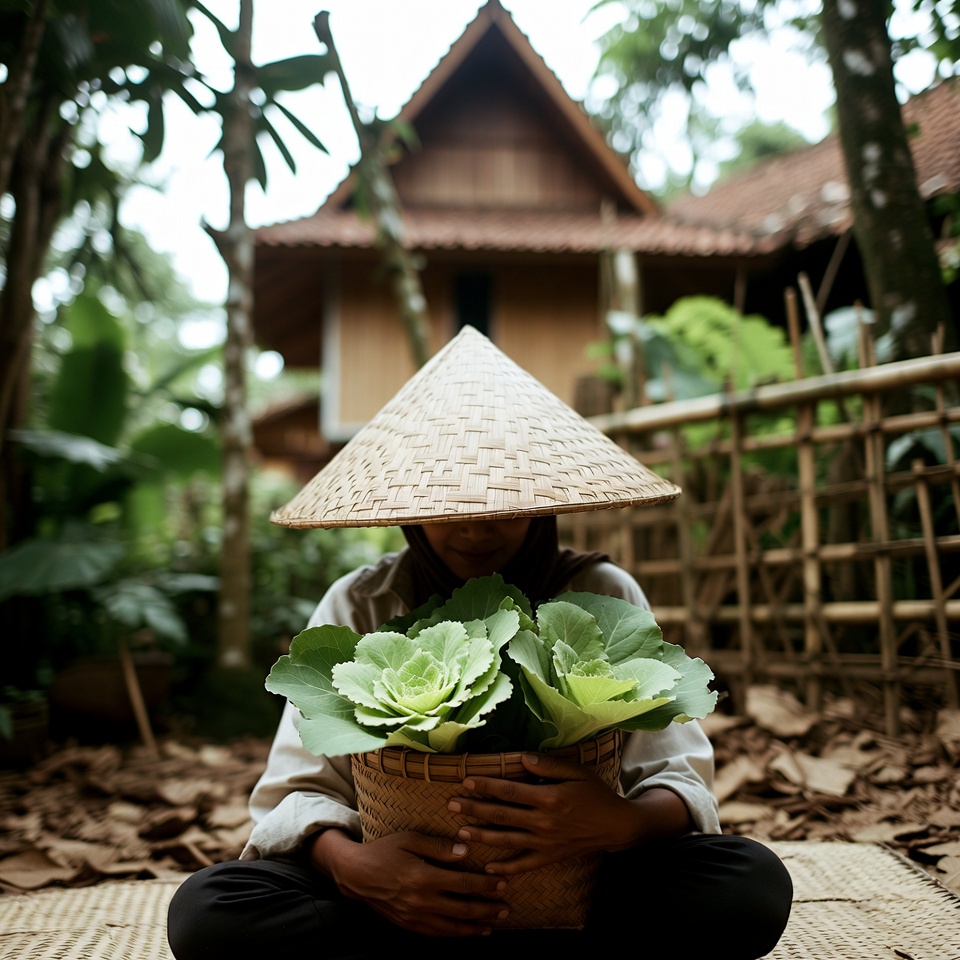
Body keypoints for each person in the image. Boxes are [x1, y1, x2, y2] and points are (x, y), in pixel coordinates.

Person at [167, 327, 793, 960]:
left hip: (583, 884)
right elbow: (295, 792)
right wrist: (353, 869)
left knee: (749, 885)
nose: (476, 527)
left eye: (502, 500)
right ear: (409, 506)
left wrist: (619, 822)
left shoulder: (602, 591)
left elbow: (676, 776)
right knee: (207, 912)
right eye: (449, 504)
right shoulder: (360, 603)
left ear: (543, 498)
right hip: (398, 899)